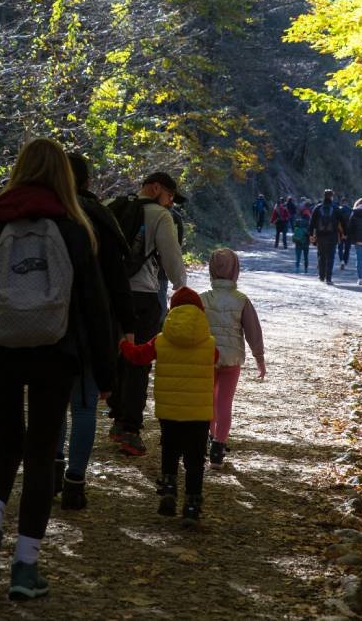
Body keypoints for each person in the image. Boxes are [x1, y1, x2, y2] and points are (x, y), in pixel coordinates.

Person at [0, 138, 114, 601]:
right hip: (57, 354)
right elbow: (95, 306)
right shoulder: (74, 227)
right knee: (39, 457)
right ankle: (25, 567)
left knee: (5, 447)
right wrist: (108, 376)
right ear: (64, 177)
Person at [55, 152, 135, 510]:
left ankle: (52, 471)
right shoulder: (101, 218)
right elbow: (118, 280)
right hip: (91, 323)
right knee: (84, 406)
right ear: (87, 181)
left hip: (48, 324)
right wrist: (127, 325)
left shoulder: (45, 214)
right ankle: (75, 481)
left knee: (51, 405)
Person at [107, 172, 188, 457]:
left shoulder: (111, 206)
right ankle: (129, 427)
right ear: (155, 189)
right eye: (169, 197)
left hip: (108, 294)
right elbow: (172, 258)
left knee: (116, 353)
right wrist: (182, 289)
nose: (170, 204)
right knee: (139, 361)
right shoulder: (160, 216)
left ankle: (117, 415)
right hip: (142, 295)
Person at [120, 287, 216, 521]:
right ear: (200, 312)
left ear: (172, 310)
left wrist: (123, 343)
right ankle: (192, 504)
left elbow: (138, 356)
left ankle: (169, 489)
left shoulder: (161, 340)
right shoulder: (209, 344)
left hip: (170, 411)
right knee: (195, 459)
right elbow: (217, 360)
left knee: (170, 450)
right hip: (199, 413)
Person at [201, 249, 265, 469]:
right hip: (231, 359)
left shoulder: (202, 299)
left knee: (207, 401)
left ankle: (208, 438)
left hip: (206, 358)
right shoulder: (241, 300)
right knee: (224, 403)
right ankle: (219, 447)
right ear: (236, 271)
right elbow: (253, 331)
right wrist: (260, 358)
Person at [308, 189, 343, 285]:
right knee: (330, 257)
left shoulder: (317, 208)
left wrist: (311, 235)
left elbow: (311, 223)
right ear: (332, 197)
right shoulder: (336, 208)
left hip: (320, 236)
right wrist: (345, 234)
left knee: (321, 256)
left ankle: (321, 276)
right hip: (332, 236)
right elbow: (343, 222)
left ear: (324, 196)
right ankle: (328, 278)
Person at [336, 196, 352, 271]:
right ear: (347, 203)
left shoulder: (338, 210)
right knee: (347, 249)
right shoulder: (351, 211)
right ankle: (345, 262)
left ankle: (342, 261)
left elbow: (336, 222)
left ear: (341, 203)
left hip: (340, 232)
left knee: (340, 247)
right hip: (349, 233)